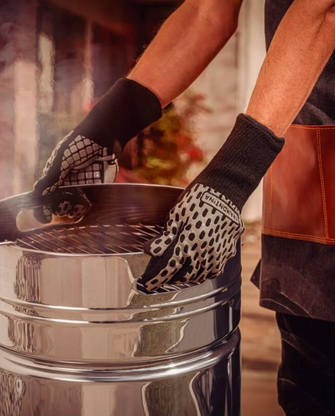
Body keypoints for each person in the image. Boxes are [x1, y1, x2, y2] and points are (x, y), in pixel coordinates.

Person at [33, 0, 335, 414]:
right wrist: (103, 129)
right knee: (310, 391)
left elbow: (322, 8)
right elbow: (205, 11)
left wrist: (232, 176)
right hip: (309, 203)